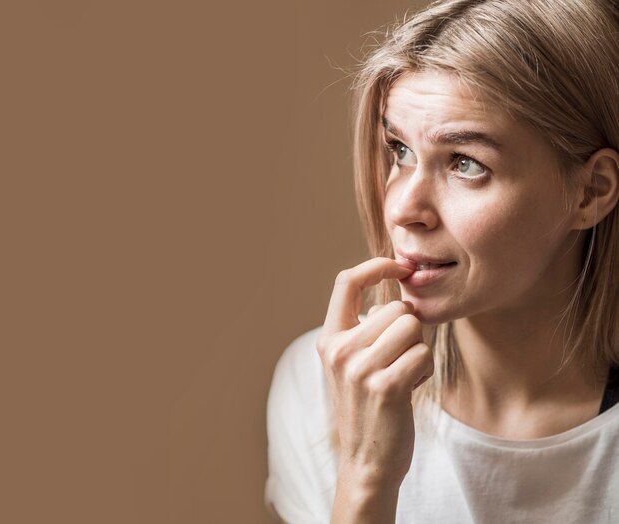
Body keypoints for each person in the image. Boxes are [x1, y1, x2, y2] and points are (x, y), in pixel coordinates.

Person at [264, 0, 619, 522]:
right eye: (399, 150)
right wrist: (366, 474)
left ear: (591, 191)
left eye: (465, 163)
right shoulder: (321, 386)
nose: (403, 210)